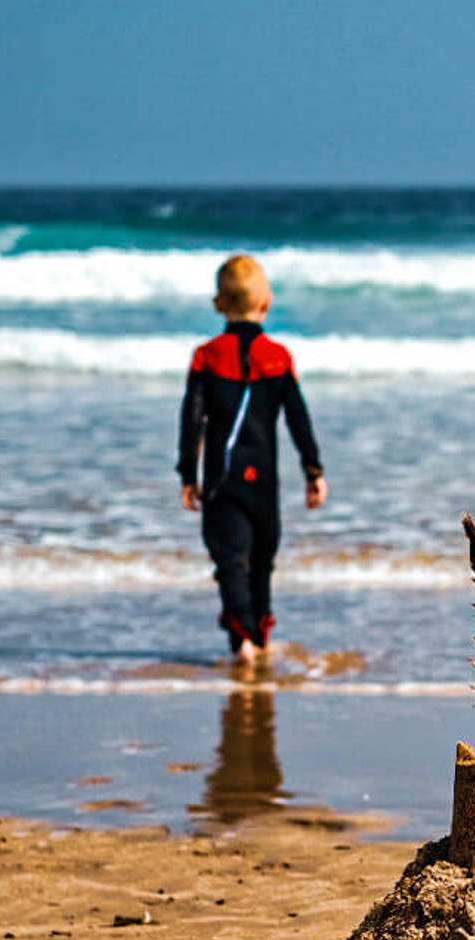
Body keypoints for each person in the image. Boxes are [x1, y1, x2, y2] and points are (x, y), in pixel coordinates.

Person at [177, 255, 327, 665]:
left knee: (230, 561)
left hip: (223, 482)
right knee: (262, 559)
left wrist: (188, 473)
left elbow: (192, 420)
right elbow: (298, 417)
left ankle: (241, 640)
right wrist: (313, 470)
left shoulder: (206, 357)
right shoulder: (277, 357)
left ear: (217, 304)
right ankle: (259, 636)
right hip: (264, 483)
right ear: (267, 303)